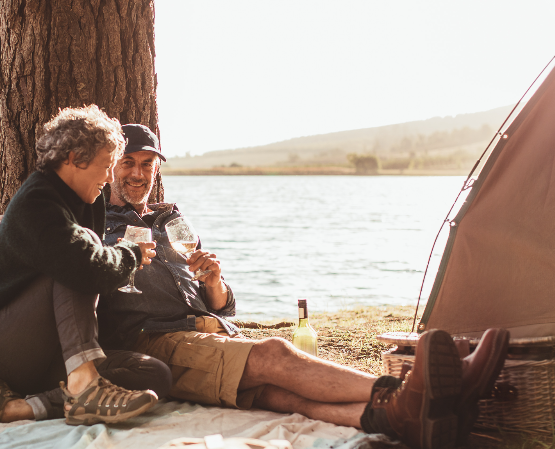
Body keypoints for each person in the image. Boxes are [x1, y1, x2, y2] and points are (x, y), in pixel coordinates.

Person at [94, 124, 511, 449]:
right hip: (157, 341)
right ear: (110, 166)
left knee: (280, 394)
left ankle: (400, 417)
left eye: (147, 164)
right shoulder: (97, 229)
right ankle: (416, 390)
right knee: (275, 354)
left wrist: (216, 281)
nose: (138, 173)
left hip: (210, 332)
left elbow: (220, 308)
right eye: (128, 162)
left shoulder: (171, 220)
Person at [0, 106, 171, 428]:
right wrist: (130, 252)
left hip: (51, 355)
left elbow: (93, 273)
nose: (107, 177)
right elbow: (89, 269)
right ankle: (85, 387)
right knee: (81, 252)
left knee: (152, 373)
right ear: (73, 158)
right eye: (105, 166)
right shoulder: (37, 201)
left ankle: (18, 408)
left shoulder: (88, 200)